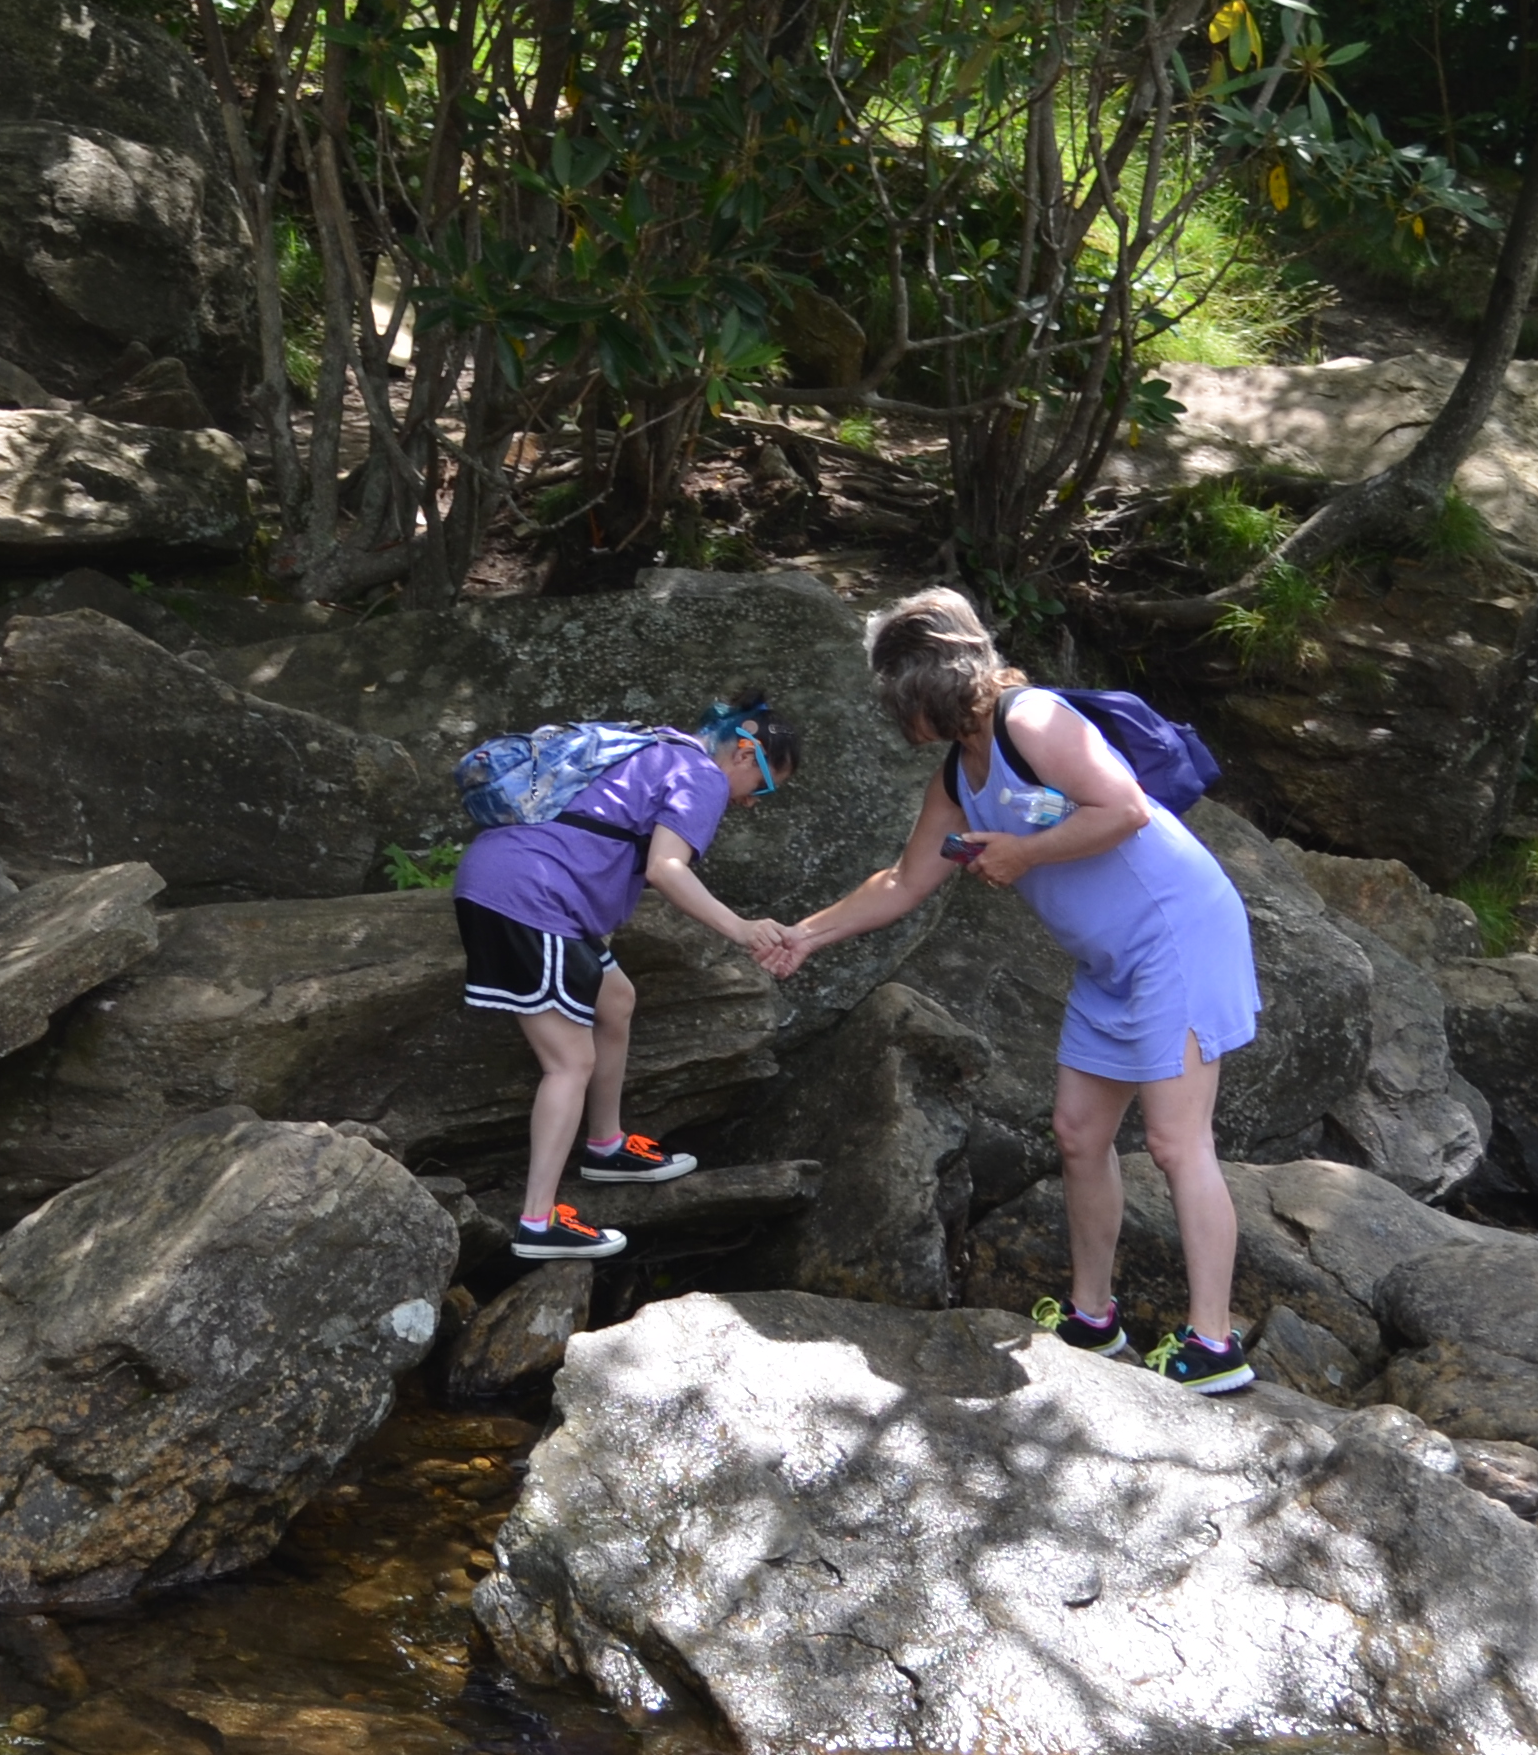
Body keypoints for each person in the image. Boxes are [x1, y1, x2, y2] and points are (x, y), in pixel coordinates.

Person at [754, 592, 1263, 1389]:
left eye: (896, 694)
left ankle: (1213, 1344)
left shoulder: (1034, 720)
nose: (895, 714)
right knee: (1078, 1133)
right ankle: (1093, 1318)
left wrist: (1024, 854)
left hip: (1178, 938)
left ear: (928, 682)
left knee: (1175, 1142)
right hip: (1110, 963)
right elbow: (902, 881)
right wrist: (805, 935)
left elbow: (1124, 809)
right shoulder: (958, 774)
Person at [456, 697, 799, 1259]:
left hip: (515, 882)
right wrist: (741, 928)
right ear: (745, 753)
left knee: (615, 998)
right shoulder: (702, 775)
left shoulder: (655, 747)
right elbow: (666, 868)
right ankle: (538, 1223)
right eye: (763, 786)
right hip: (530, 895)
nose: (753, 802)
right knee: (569, 1063)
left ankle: (606, 1145)